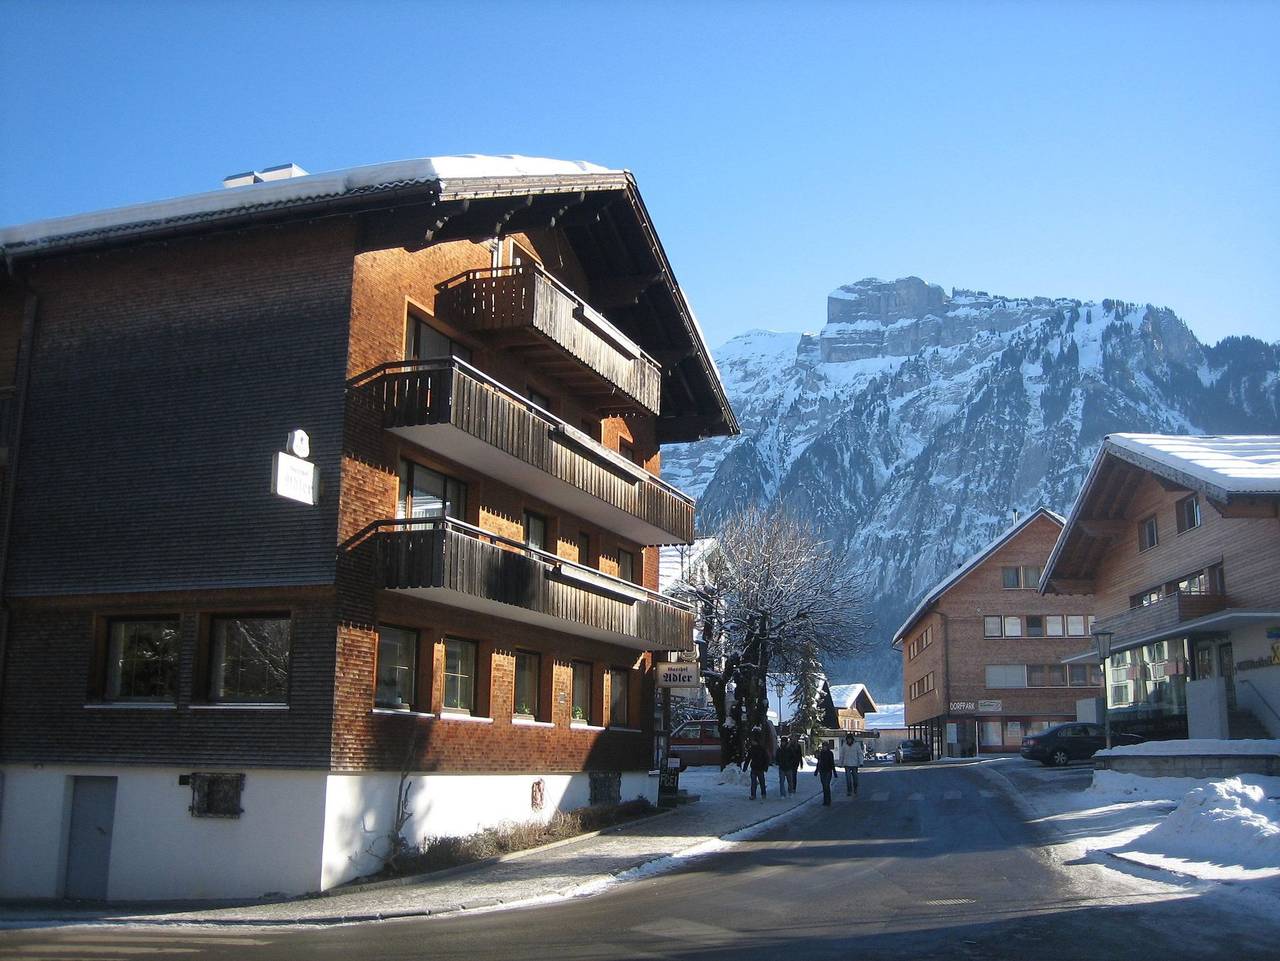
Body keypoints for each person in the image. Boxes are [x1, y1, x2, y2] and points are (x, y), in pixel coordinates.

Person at [742, 733, 770, 800]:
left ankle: (763, 794)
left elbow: (766, 759)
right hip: (754, 768)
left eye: (753, 741)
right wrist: (745, 767)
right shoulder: (752, 749)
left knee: (761, 782)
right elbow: (748, 759)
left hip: (760, 768)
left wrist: (765, 767)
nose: (752, 742)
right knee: (754, 783)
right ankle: (753, 795)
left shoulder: (761, 749)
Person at [814, 739, 836, 806]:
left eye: (825, 746)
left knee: (827, 785)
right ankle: (825, 800)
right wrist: (816, 771)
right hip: (822, 771)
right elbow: (819, 763)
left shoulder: (830, 753)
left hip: (828, 771)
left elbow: (832, 763)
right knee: (824, 786)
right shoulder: (821, 753)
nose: (824, 747)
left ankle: (828, 800)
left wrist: (834, 771)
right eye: (823, 746)